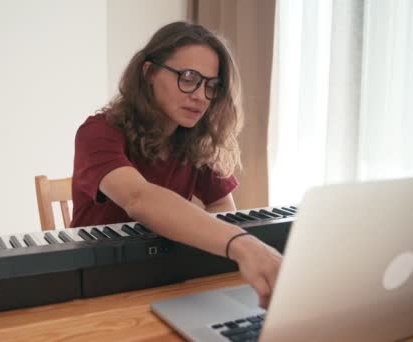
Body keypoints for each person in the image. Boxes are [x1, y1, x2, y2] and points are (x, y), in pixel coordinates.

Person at [71, 21, 281, 308]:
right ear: (149, 73)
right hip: (101, 283)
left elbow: (222, 208)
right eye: (189, 77)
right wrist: (242, 244)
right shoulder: (97, 133)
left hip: (168, 278)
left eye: (211, 85)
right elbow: (138, 197)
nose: (199, 95)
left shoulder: (198, 140)